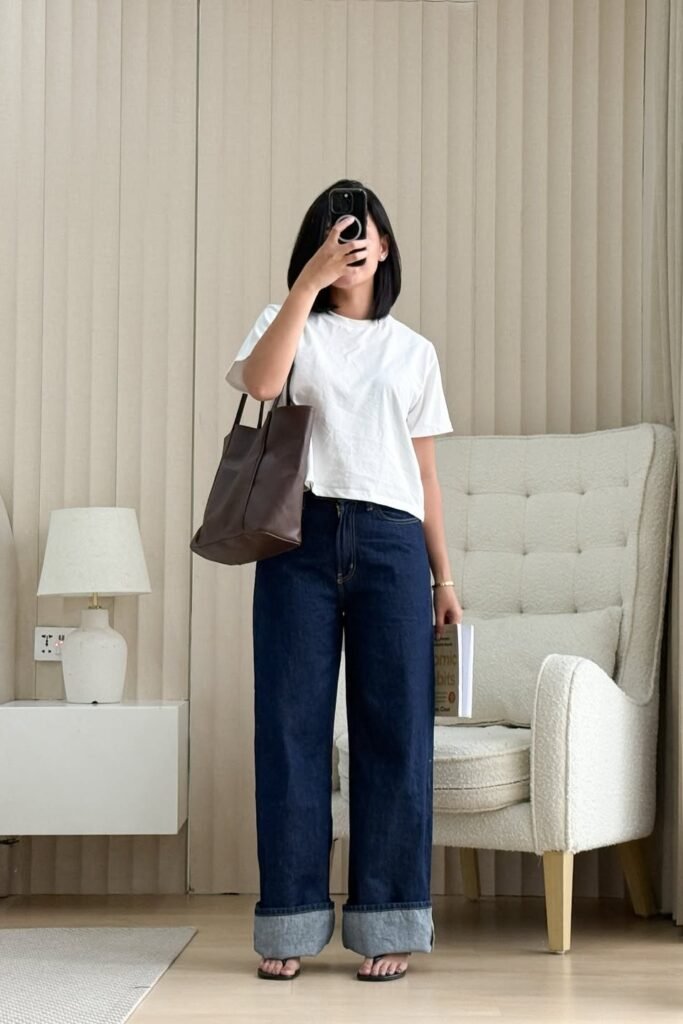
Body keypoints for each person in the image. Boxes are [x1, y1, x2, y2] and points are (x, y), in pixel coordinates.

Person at [225, 179, 462, 982]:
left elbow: (425, 477)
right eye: (334, 232)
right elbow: (262, 386)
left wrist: (443, 577)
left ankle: (388, 919)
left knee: (394, 734)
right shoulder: (288, 320)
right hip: (299, 537)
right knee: (289, 729)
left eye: (361, 233)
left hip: (393, 545)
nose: (349, 243)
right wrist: (306, 285)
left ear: (384, 246)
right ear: (317, 244)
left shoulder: (414, 351)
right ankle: (288, 922)